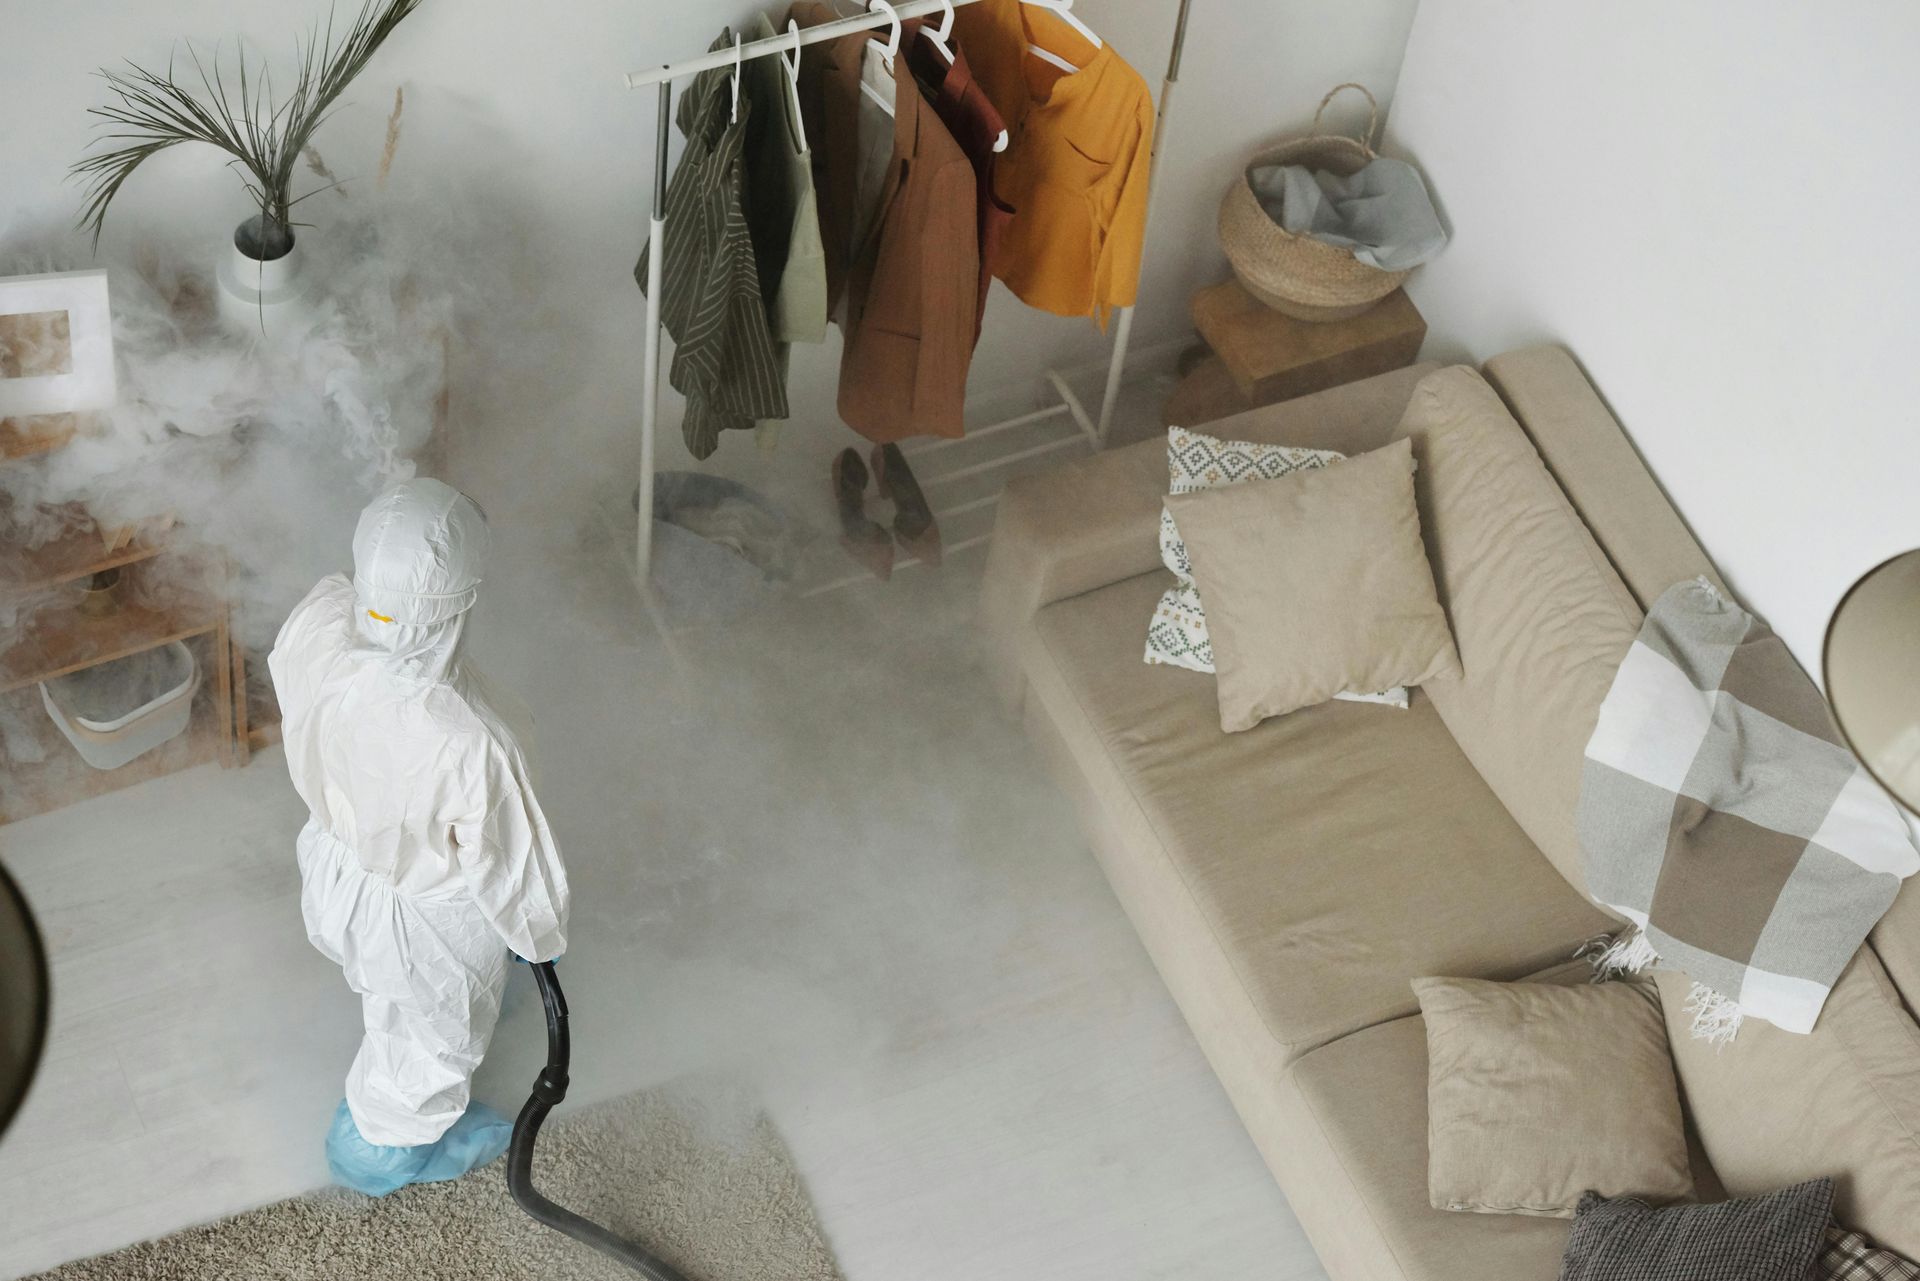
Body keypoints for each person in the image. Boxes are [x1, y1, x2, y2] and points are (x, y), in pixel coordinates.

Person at [268, 478, 570, 1196]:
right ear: (462, 604)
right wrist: (541, 937)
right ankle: (376, 1152)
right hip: (425, 923)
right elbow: (514, 865)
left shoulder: (319, 624)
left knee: (389, 988)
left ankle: (399, 1084)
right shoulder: (469, 739)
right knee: (431, 1043)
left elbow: (359, 592)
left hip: (336, 868)